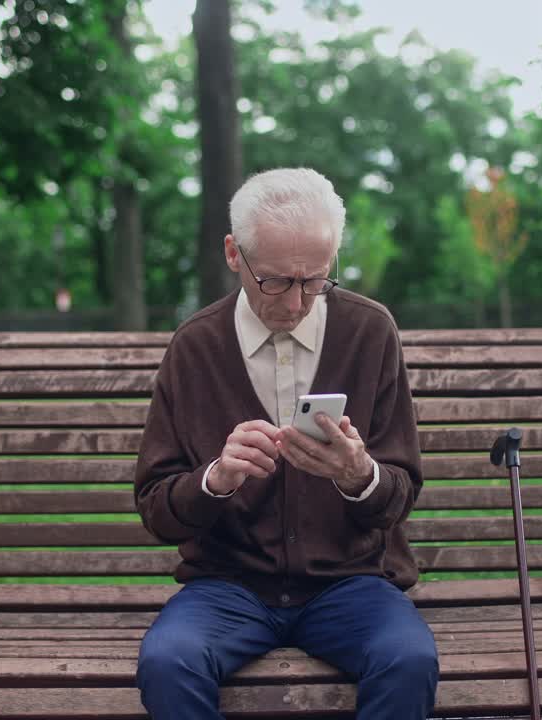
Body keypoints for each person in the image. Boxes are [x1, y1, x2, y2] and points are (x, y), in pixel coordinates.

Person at [133, 168, 438, 719]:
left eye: (316, 280)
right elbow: (156, 508)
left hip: (351, 583)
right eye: (275, 281)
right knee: (168, 662)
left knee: (408, 659)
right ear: (233, 254)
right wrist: (215, 480)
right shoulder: (196, 346)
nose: (297, 302)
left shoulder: (370, 332)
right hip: (228, 587)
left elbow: (401, 492)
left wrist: (357, 476)